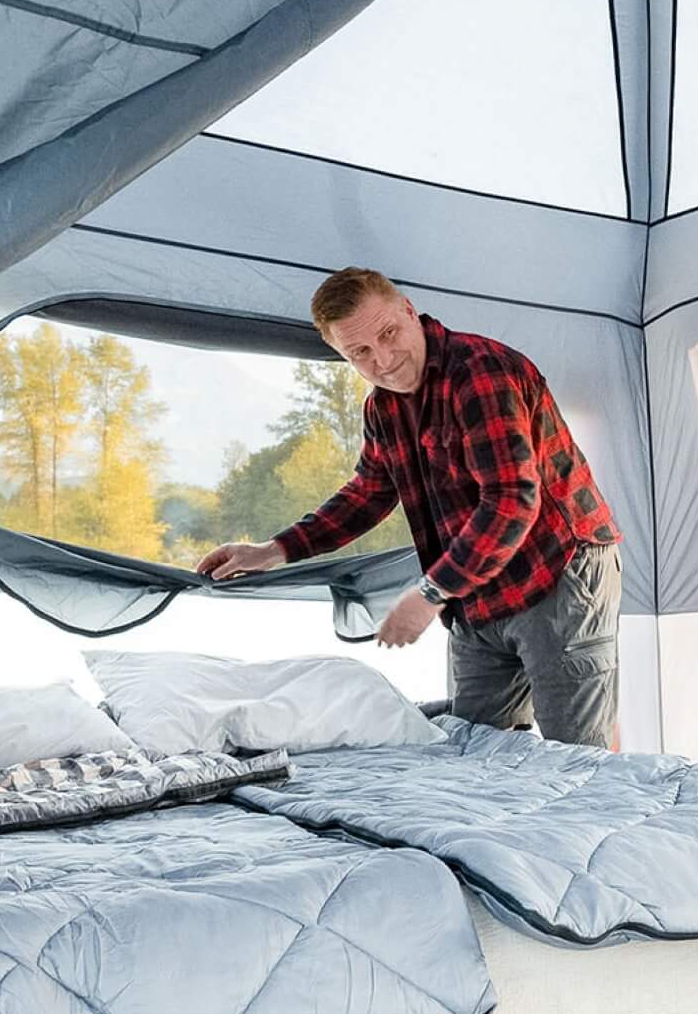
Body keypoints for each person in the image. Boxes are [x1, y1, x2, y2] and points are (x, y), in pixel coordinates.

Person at [198, 268, 624, 748]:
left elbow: (511, 499)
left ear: (407, 310)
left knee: (578, 754)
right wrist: (273, 551)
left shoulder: (480, 372)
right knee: (473, 745)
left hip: (556, 573)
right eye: (359, 352)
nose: (383, 359)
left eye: (387, 334)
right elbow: (367, 493)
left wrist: (429, 594)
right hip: (476, 594)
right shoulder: (383, 409)